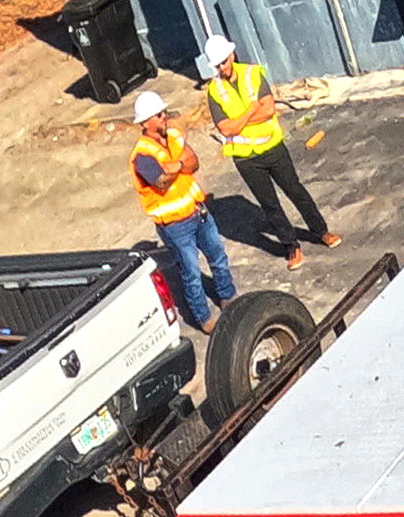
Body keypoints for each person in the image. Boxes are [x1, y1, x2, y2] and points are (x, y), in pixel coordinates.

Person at [193, 37, 333, 257]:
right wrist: (250, 111)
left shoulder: (252, 74)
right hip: (246, 159)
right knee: (269, 204)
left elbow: (268, 110)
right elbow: (226, 129)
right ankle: (291, 246)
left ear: (232, 55)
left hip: (272, 147)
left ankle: (321, 231)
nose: (222, 68)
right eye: (217, 65)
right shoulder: (214, 90)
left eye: (224, 62)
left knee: (295, 190)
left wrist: (238, 121)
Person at [130, 90, 231, 331]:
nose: (164, 116)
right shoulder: (142, 155)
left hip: (198, 212)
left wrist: (174, 165)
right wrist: (180, 165)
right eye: (158, 115)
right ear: (146, 122)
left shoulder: (174, 135)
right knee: (191, 274)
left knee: (218, 256)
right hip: (175, 226)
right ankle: (204, 319)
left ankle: (228, 297)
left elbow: (193, 162)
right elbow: (161, 182)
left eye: (163, 112)